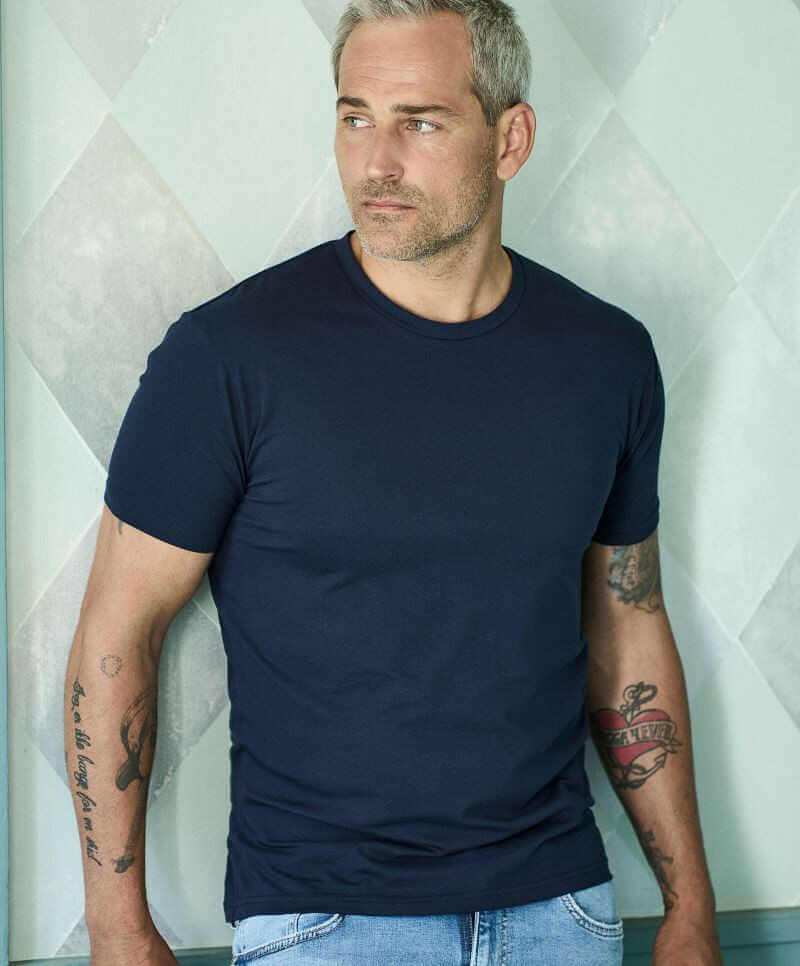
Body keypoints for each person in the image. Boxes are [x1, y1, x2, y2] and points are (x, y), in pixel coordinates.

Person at [65, 1, 722, 964]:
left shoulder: (608, 360)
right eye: (355, 117)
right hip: (323, 921)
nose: (376, 162)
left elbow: (627, 625)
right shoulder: (229, 358)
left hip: (562, 912)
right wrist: (118, 928)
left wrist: (690, 907)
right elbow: (117, 631)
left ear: (511, 139)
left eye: (420, 122)